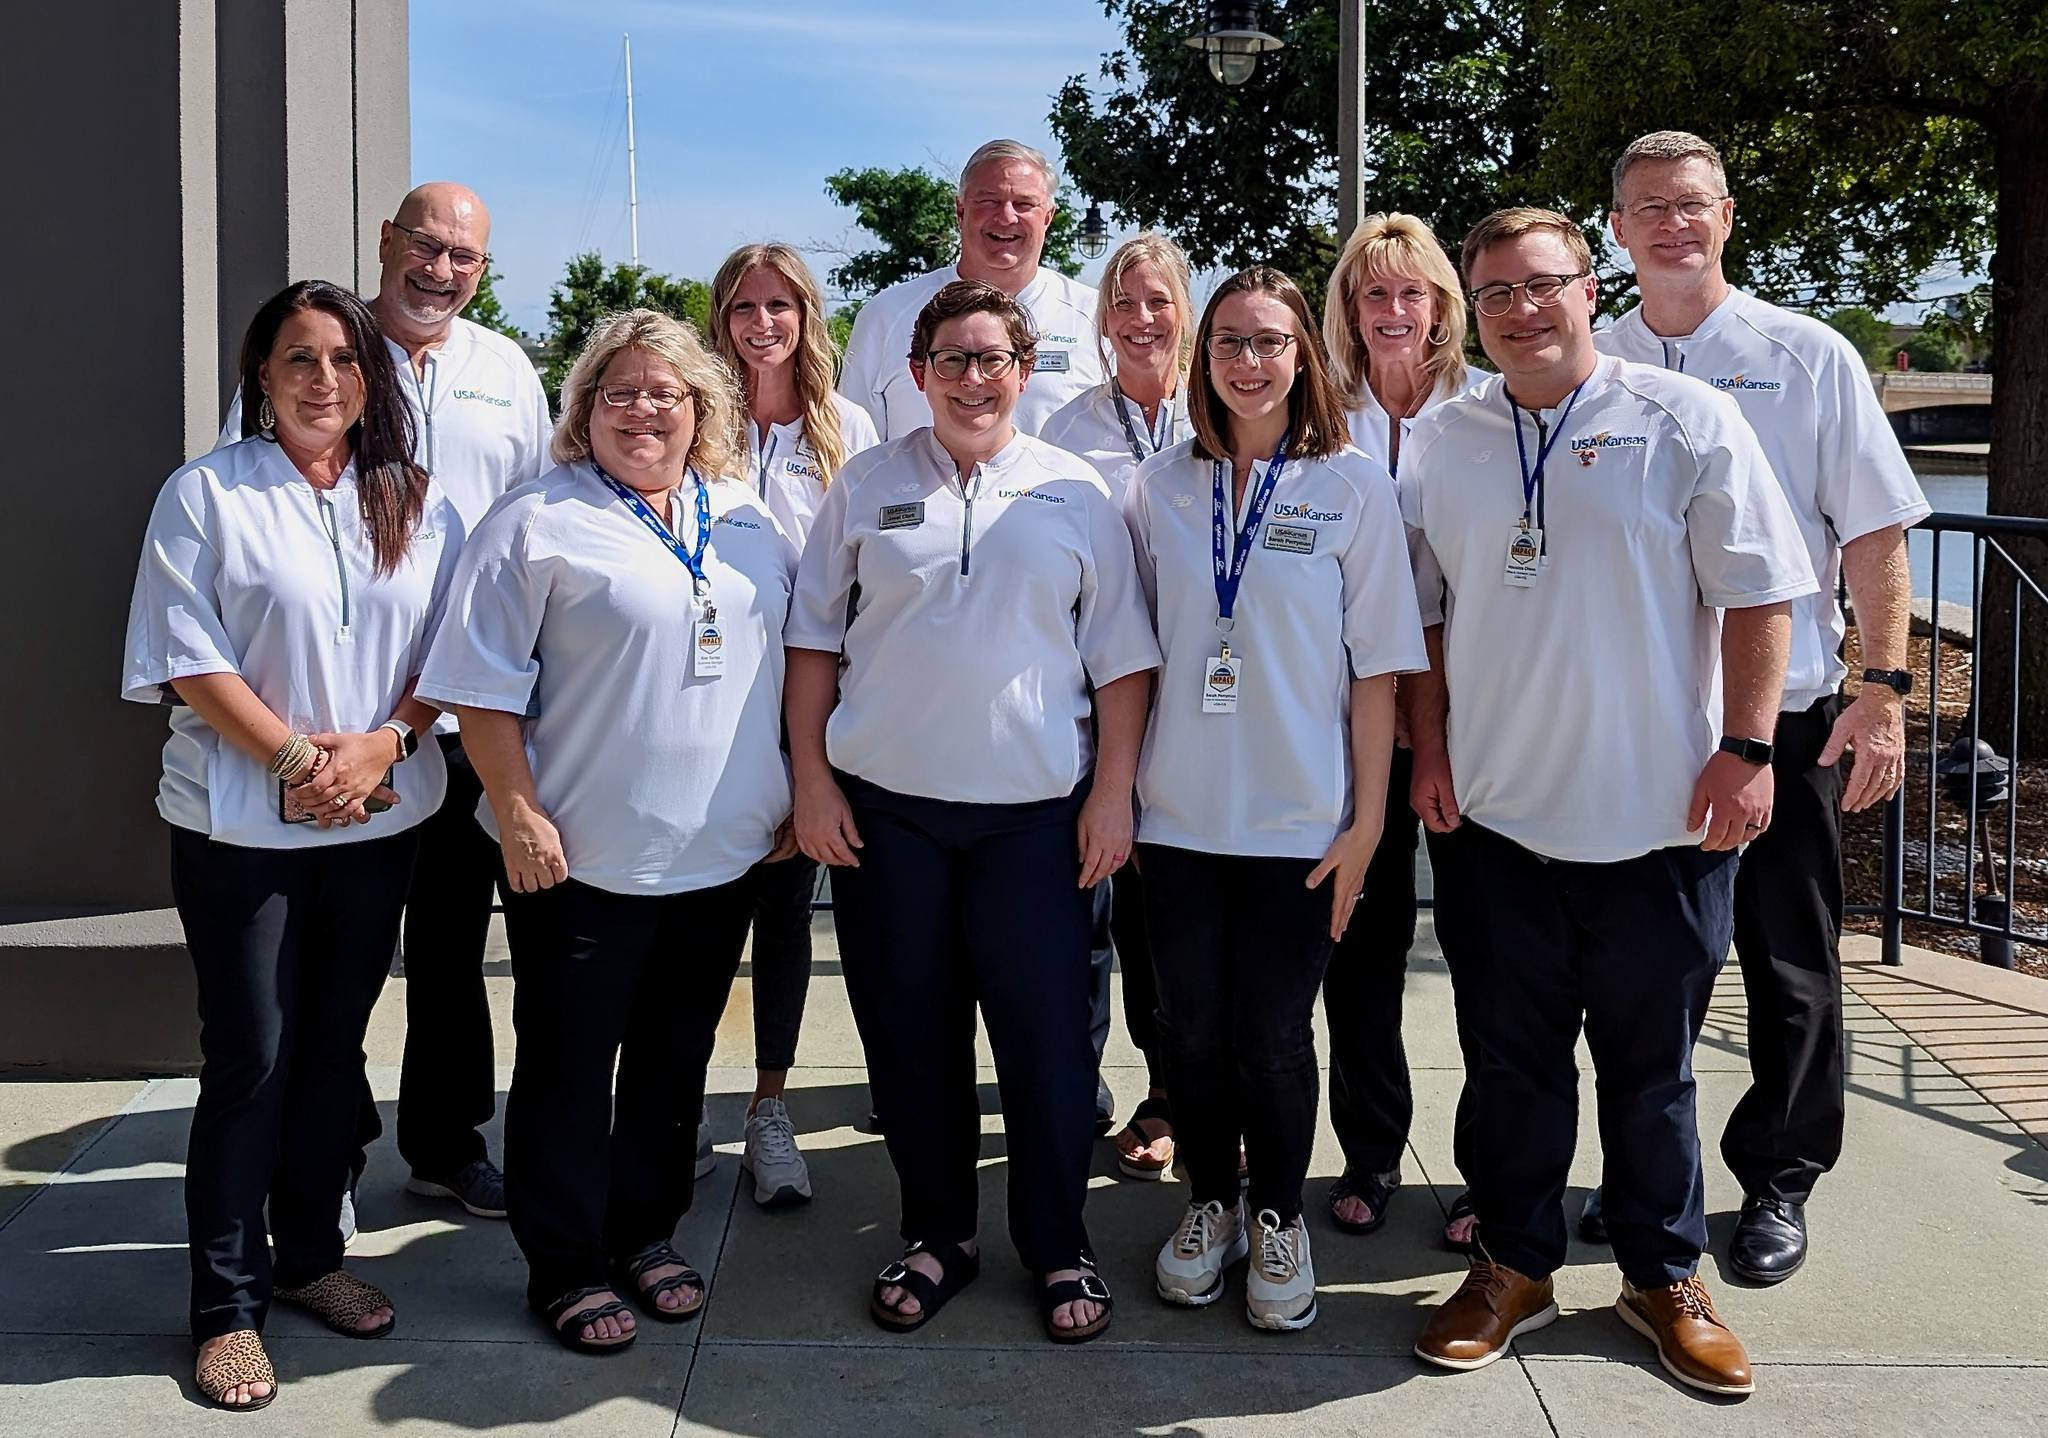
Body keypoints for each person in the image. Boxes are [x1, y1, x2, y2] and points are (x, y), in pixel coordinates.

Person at [1399, 208, 1816, 1397]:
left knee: (1651, 1073)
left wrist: (1745, 747)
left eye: (1543, 285)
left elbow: (1758, 594)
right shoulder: (1449, 436)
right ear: (1466, 313)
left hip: (1659, 821)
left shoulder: (1685, 418)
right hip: (1496, 820)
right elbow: (1425, 616)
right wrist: (1428, 748)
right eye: (1494, 295)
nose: (1521, 310)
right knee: (1507, 1064)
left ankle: (1658, 1273)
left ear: (1590, 286)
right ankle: (1513, 1264)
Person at [786, 279, 1159, 1344]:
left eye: (992, 358)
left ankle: (1057, 1243)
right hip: (886, 818)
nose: (972, 378)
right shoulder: (863, 484)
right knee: (911, 1039)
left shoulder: (1074, 489)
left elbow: (1122, 659)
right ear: (918, 375)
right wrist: (812, 782)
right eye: (950, 359)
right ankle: (937, 1232)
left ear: (1022, 368)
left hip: (1035, 823)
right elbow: (813, 643)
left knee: (1045, 1046)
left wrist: (1111, 794)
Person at [416, 309, 796, 1354]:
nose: (643, 408)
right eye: (618, 390)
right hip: (578, 857)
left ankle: (645, 1233)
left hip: (720, 854)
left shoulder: (747, 514)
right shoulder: (535, 519)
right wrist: (516, 810)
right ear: (582, 408)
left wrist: (784, 794)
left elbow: (789, 664)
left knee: (674, 1063)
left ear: (701, 408)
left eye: (665, 391)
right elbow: (478, 688)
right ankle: (565, 1263)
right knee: (568, 1070)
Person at [1595, 131, 1929, 1282]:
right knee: (1648, 968)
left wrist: (1879, 693)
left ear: (1724, 216)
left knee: (1787, 964)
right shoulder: (1590, 358)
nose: (1670, 225)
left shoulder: (1806, 356)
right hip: (1643, 716)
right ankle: (1646, 1171)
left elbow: (1877, 535)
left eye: (1688, 205)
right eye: (1646, 208)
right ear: (1618, 228)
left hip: (1781, 715)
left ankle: (1779, 1177)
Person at [123, 279, 463, 1410]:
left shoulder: (414, 499)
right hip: (240, 824)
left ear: (375, 379)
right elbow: (185, 649)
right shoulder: (206, 495)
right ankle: (225, 1306)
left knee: (333, 1046)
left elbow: (450, 653)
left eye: (344, 361)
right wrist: (296, 763)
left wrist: (382, 746)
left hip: (378, 819)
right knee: (253, 1056)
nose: (324, 381)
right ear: (259, 379)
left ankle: (312, 1255)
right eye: (298, 360)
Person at [223, 182, 553, 1226]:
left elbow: (541, 518)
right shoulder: (324, 348)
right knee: (336, 962)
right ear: (386, 242)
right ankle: (333, 1157)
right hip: (331, 725)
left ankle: (447, 1145)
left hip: (460, 718)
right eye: (425, 244)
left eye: (464, 256)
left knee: (453, 948)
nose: (441, 268)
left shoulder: (505, 370)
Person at [1131, 266, 1425, 1332]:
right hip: (1175, 818)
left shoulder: (1349, 486)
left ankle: (1276, 1214)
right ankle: (1208, 1202)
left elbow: (1378, 672)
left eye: (1267, 341)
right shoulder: (1159, 486)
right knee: (1191, 1031)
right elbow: (1126, 654)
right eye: (1226, 344)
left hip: (1300, 822)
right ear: (1199, 362)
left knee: (1271, 1034)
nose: (1246, 362)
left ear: (1303, 353)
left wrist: (1366, 825)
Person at [1317, 212, 1490, 1242]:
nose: (1390, 312)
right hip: (1349, 731)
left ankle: (1486, 1167)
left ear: (1439, 307)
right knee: (1358, 957)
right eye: (1371, 294)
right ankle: (1370, 1151)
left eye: (1408, 294)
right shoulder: (1319, 419)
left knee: (1485, 962)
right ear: (1348, 309)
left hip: (1474, 730)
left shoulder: (1486, 413)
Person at [708, 242, 880, 1207]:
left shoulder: (845, 430)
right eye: (744, 305)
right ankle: (679, 1096)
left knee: (783, 917)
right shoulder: (695, 420)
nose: (763, 323)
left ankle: (770, 1107)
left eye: (781, 305)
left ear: (809, 317)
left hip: (811, 712)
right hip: (704, 706)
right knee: (693, 916)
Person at [1039, 231, 1198, 1181]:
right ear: (1101, 320)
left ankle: (1185, 1092)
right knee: (1104, 916)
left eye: (1158, 301)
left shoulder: (1225, 410)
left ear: (1186, 310)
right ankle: (1094, 1089)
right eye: (1123, 303)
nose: (1141, 319)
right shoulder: (1066, 430)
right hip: (1103, 703)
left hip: (1211, 701)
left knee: (1181, 917)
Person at [839, 139, 1103, 439]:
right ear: (960, 210)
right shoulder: (885, 316)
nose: (1006, 217)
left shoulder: (1096, 319)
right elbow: (849, 448)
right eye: (988, 201)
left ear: (1048, 217)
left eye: (1024, 204)